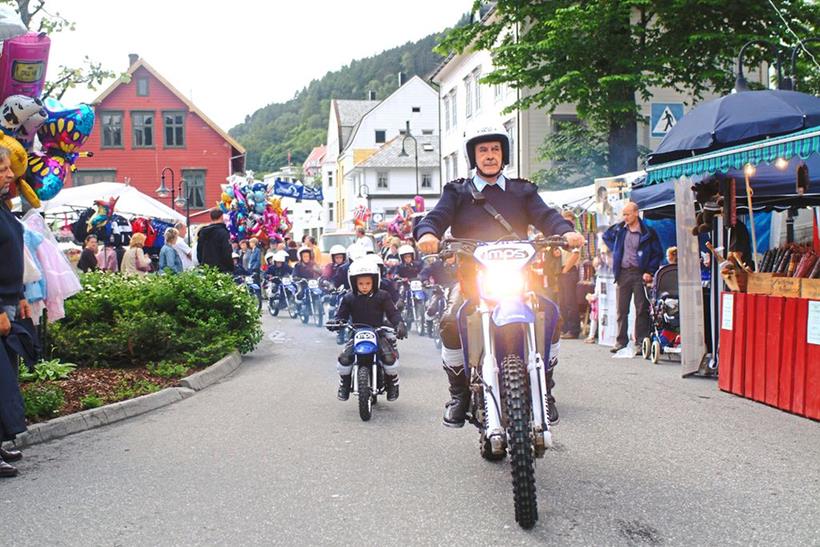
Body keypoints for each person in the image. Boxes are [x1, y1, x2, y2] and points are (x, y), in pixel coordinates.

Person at [414, 126, 584, 427]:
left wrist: (566, 232)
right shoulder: (457, 192)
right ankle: (459, 394)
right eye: (483, 150)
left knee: (550, 313)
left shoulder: (523, 191)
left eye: (495, 149)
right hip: (472, 279)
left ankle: (546, 389)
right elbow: (436, 217)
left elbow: (547, 216)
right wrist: (427, 233)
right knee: (451, 321)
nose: (489, 155)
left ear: (503, 154)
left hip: (519, 278)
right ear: (474, 156)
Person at [329, 259, 407, 401]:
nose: (364, 287)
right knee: (344, 359)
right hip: (356, 333)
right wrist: (336, 322)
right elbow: (341, 315)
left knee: (389, 359)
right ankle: (344, 384)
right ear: (354, 283)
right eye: (360, 283)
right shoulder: (348, 298)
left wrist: (399, 324)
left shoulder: (383, 296)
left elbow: (393, 313)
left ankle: (393, 383)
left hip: (378, 332)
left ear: (375, 281)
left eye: (368, 283)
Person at [0, 146, 30, 477]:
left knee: (5, 377)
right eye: (3, 169)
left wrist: (19, 294)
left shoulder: (2, 207)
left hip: (9, 299)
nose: (10, 174)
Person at [602, 202, 663, 354]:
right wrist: (615, 250)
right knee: (621, 309)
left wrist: (650, 270)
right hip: (622, 273)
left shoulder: (648, 232)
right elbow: (606, 236)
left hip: (639, 273)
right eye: (624, 214)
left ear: (636, 213)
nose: (625, 217)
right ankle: (621, 341)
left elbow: (657, 254)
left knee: (641, 308)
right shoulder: (620, 230)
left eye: (628, 214)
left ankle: (640, 341)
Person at [558, 211, 582, 339]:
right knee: (562, 301)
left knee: (570, 301)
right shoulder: (562, 236)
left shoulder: (576, 236)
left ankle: (574, 330)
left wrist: (565, 270)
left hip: (569, 270)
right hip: (561, 270)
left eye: (568, 220)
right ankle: (565, 328)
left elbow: (576, 254)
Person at [196, 209, 233, 273]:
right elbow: (226, 251)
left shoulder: (203, 232)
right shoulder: (223, 232)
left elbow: (199, 250)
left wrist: (202, 264)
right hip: (221, 269)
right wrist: (230, 267)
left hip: (206, 268)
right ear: (221, 217)